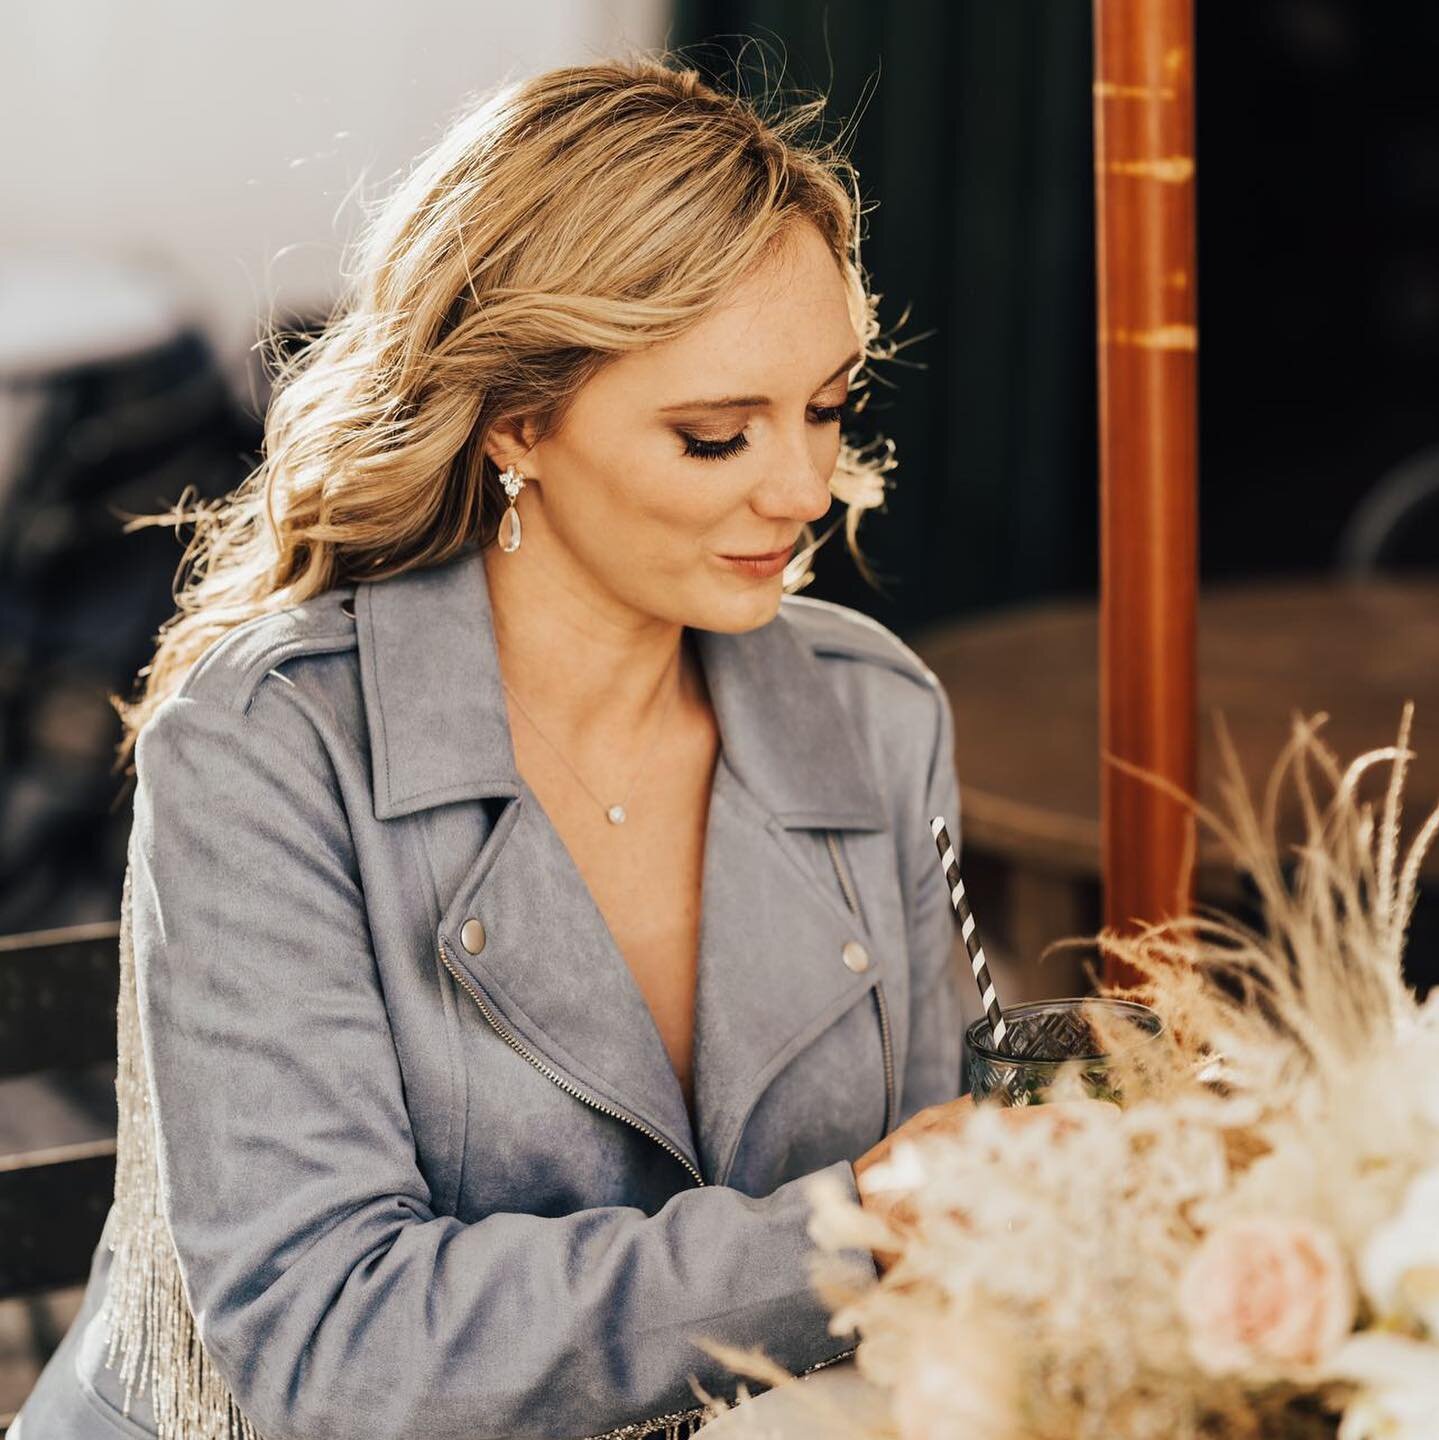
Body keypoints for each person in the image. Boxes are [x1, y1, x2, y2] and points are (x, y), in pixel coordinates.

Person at [13, 53, 1043, 1440]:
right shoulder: (269, 747)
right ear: (517, 420)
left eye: (826, 407)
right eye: (716, 434)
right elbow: (332, 1348)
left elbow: (951, 1213)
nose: (802, 488)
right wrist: (845, 1236)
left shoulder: (871, 711)